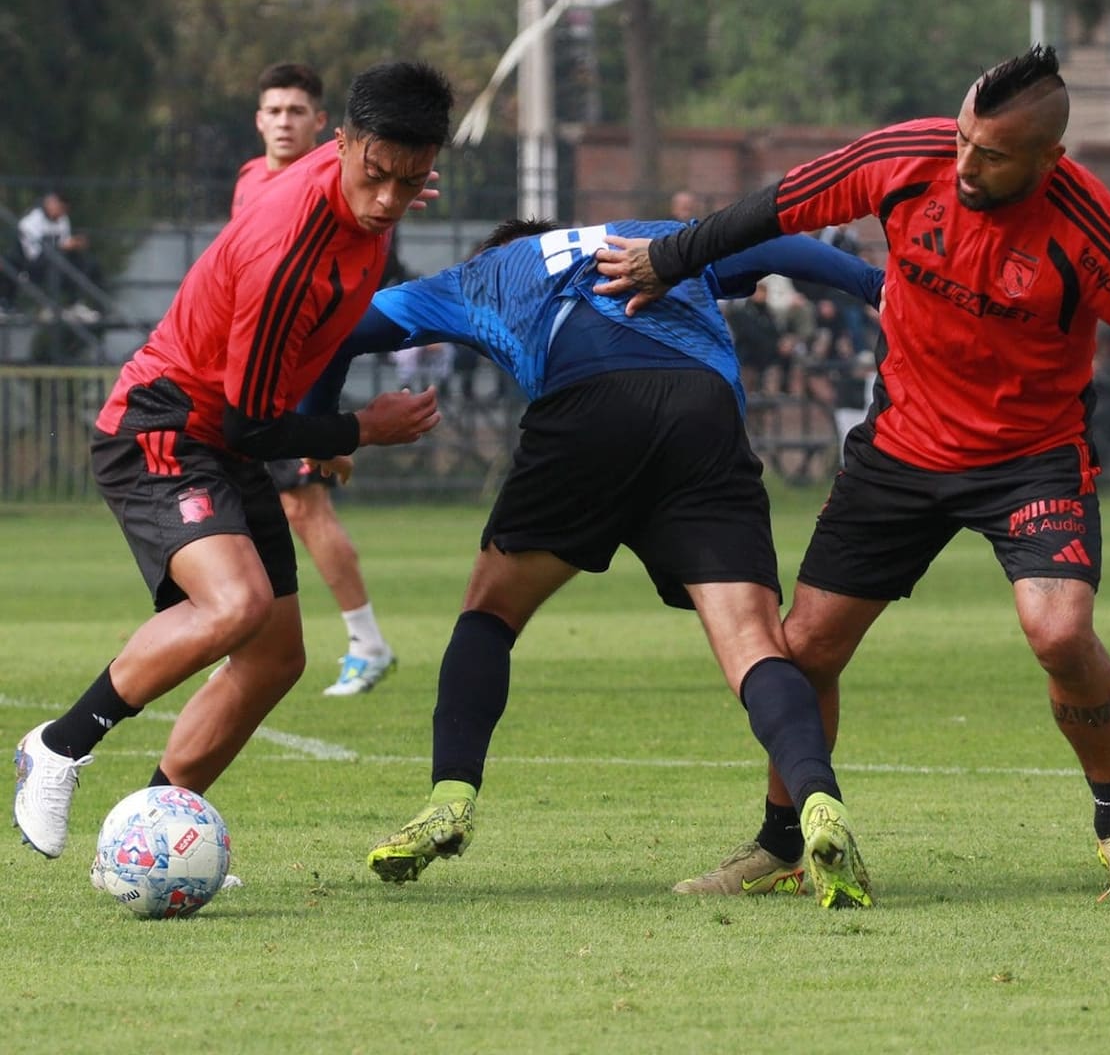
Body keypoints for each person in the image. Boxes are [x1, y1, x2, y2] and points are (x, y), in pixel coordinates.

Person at [593, 45, 1110, 909]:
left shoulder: (1092, 232)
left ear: (1049, 159)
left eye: (991, 154)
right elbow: (777, 207)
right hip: (902, 450)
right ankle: (782, 843)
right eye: (962, 138)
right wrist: (673, 257)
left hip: (1031, 461)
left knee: (1060, 634)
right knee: (804, 650)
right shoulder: (903, 158)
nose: (965, 163)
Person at [304, 217, 885, 907]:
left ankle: (449, 798)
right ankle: (816, 803)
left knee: (490, 613)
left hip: (589, 408)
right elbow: (783, 244)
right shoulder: (655, 235)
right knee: (754, 644)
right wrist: (879, 287)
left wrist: (327, 434)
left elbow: (337, 328)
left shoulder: (479, 276)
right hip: (703, 414)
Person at [12, 60, 454, 866]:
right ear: (345, 143)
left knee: (277, 657)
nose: (388, 199)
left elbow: (257, 416)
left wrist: (387, 180)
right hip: (166, 423)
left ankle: (151, 836)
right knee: (236, 605)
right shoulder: (292, 255)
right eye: (377, 175)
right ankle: (59, 746)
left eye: (411, 179)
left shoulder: (357, 178)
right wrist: (359, 430)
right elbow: (254, 428)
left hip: (221, 429)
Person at [232, 61, 412, 697]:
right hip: (250, 380)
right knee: (271, 510)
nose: (284, 121)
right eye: (273, 110)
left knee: (303, 507)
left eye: (296, 111)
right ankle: (252, 635)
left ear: (321, 126)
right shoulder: (251, 180)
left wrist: (322, 415)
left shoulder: (346, 192)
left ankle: (366, 641)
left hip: (291, 384)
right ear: (259, 120)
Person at [15, 191, 100, 323]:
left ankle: (75, 304)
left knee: (81, 260)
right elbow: (32, 253)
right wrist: (62, 247)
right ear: (51, 203)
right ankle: (49, 307)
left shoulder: (63, 219)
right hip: (32, 265)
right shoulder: (31, 221)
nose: (62, 213)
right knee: (55, 261)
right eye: (60, 209)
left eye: (65, 210)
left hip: (56, 259)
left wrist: (75, 244)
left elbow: (65, 243)